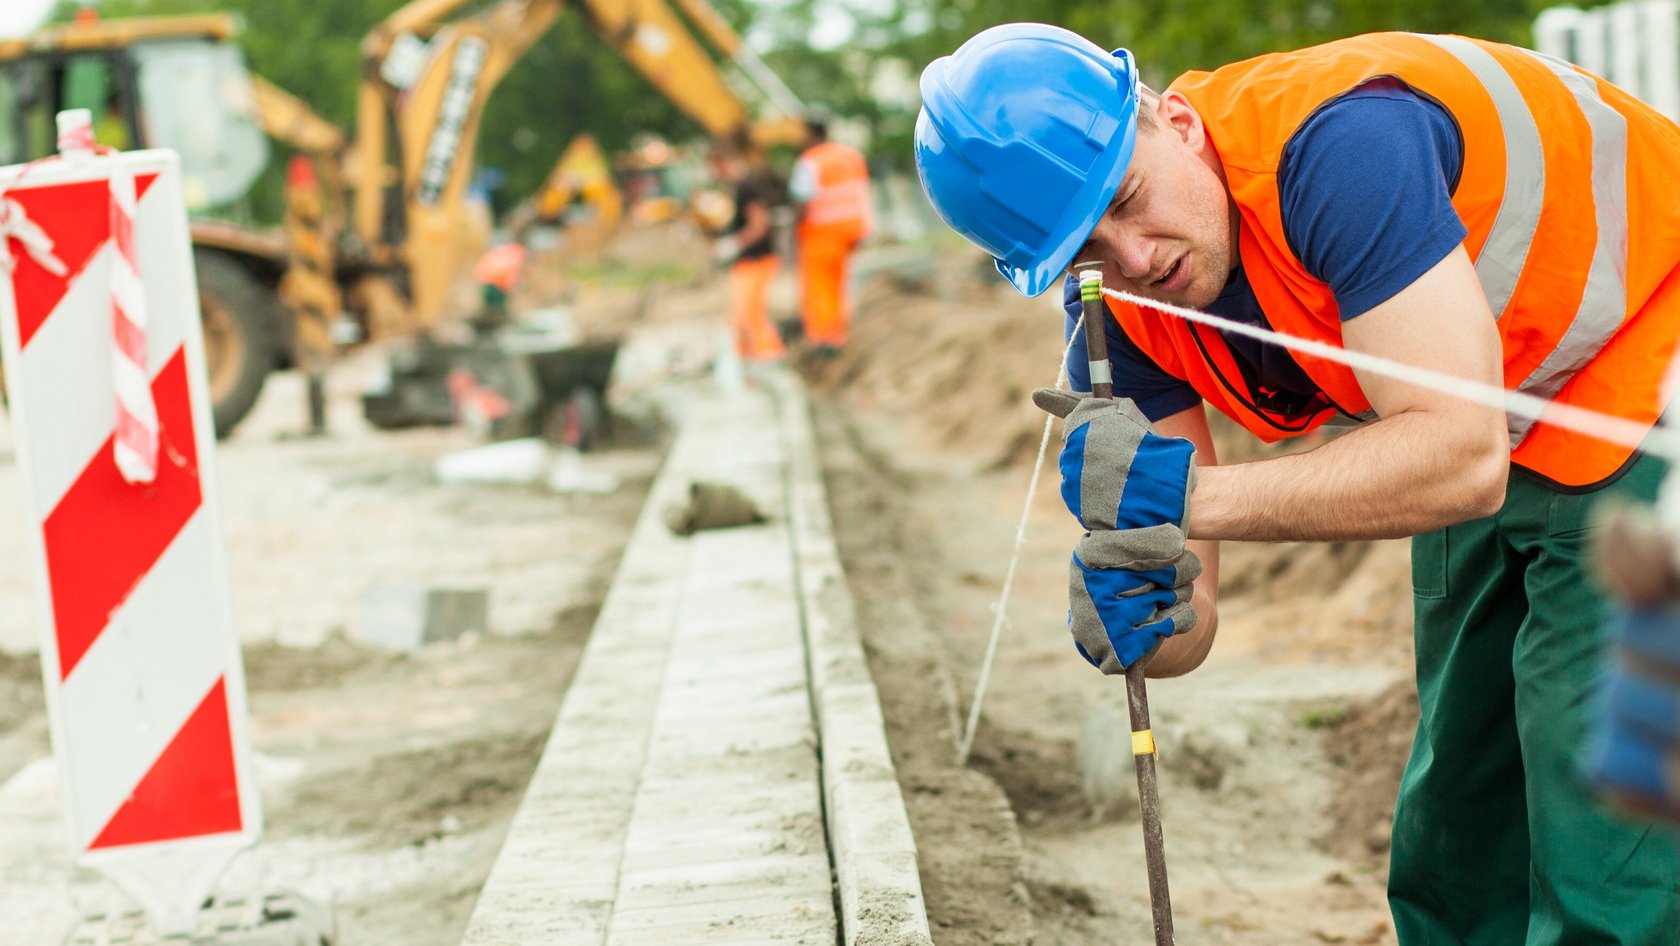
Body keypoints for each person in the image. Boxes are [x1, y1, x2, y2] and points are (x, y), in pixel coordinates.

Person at [915, 23, 1680, 945]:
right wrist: (1145, 617)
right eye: (1088, 247)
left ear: (1176, 122)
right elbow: (1194, 616)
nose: (1135, 259)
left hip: (1649, 350)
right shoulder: (1119, 313)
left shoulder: (1341, 150)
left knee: (1603, 823)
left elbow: (1458, 458)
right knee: (1457, 831)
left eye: (1127, 199)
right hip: (1497, 398)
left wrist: (1186, 501)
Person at [789, 112, 872, 355]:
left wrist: (794, 225)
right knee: (839, 282)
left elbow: (802, 199)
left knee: (820, 284)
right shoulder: (851, 155)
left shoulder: (810, 161)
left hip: (822, 230)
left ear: (810, 133)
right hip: (852, 228)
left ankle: (826, 338)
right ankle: (839, 332)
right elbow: (862, 191)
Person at [708, 134, 786, 363]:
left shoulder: (746, 187)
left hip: (756, 259)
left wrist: (734, 243)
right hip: (750, 261)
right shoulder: (740, 186)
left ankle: (769, 357)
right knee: (741, 318)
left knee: (750, 315)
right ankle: (749, 360)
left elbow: (759, 224)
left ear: (721, 162)